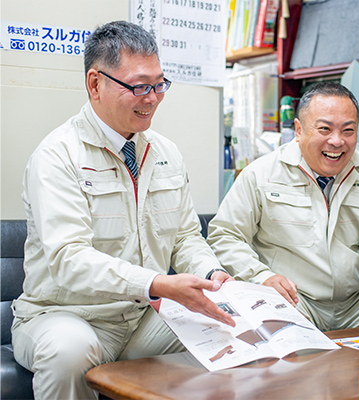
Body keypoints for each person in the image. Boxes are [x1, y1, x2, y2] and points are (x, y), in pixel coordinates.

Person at [12, 20, 235, 399]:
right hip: (66, 316)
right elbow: (69, 258)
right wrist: (155, 283)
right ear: (95, 84)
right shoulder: (58, 155)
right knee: (69, 351)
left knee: (226, 328)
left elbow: (184, 237)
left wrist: (212, 273)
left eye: (159, 85)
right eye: (138, 86)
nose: (152, 98)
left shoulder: (164, 152)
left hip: (142, 316)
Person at [207, 82, 359, 333]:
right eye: (325, 129)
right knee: (287, 357)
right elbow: (225, 235)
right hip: (294, 300)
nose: (337, 141)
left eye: (348, 130)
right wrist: (261, 277)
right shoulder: (261, 174)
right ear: (299, 130)